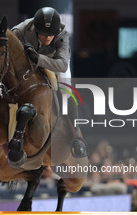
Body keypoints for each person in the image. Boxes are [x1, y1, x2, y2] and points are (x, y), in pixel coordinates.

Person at [12, 7, 87, 158]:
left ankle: (75, 137)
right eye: (43, 34)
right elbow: (8, 41)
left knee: (67, 91)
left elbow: (62, 65)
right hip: (29, 63)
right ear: (35, 28)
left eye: (50, 35)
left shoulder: (62, 34)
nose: (47, 38)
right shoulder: (23, 28)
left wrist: (38, 58)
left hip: (55, 63)